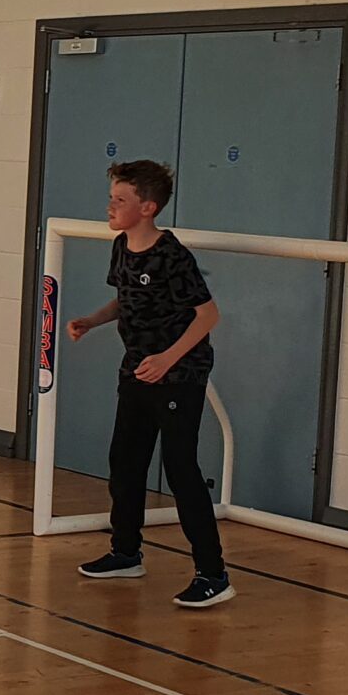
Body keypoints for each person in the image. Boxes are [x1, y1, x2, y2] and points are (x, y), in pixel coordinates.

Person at [65, 158, 231, 609]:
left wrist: (166, 359)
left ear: (148, 207)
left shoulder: (172, 256)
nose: (110, 207)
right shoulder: (121, 247)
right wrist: (92, 321)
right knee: (125, 461)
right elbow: (125, 299)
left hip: (179, 374)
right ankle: (126, 552)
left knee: (181, 470)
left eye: (121, 200)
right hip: (137, 368)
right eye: (112, 198)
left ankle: (213, 573)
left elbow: (208, 315)